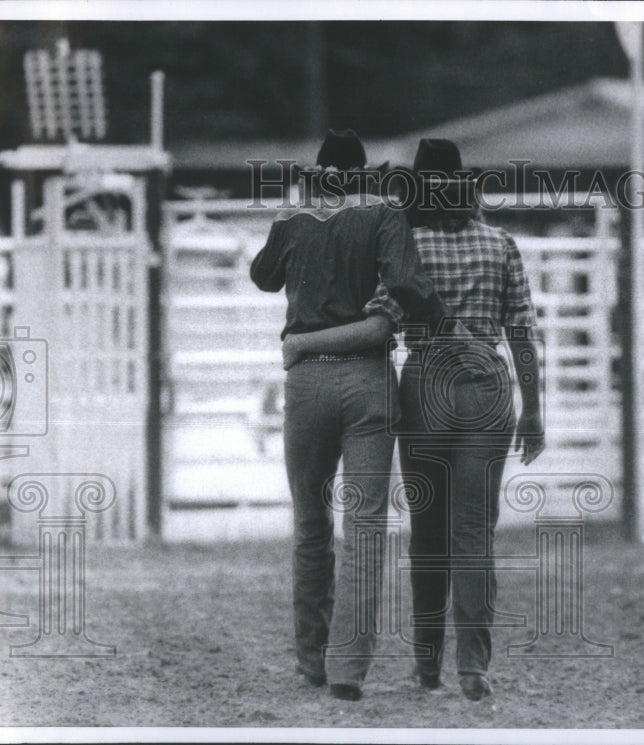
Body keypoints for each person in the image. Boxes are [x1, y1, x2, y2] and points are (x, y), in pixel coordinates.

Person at [282, 138, 545, 701]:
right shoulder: (501, 244)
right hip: (488, 386)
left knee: (427, 534)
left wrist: (305, 341)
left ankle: (427, 667)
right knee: (475, 531)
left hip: (427, 381)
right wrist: (535, 407)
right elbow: (521, 327)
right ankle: (474, 666)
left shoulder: (409, 242)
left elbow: (384, 313)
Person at [250, 129, 445, 703]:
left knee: (311, 525)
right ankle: (346, 669)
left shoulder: (295, 214)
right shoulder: (383, 213)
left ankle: (310, 658)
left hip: (306, 380)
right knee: (364, 529)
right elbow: (406, 281)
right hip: (366, 377)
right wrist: (438, 313)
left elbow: (263, 276)